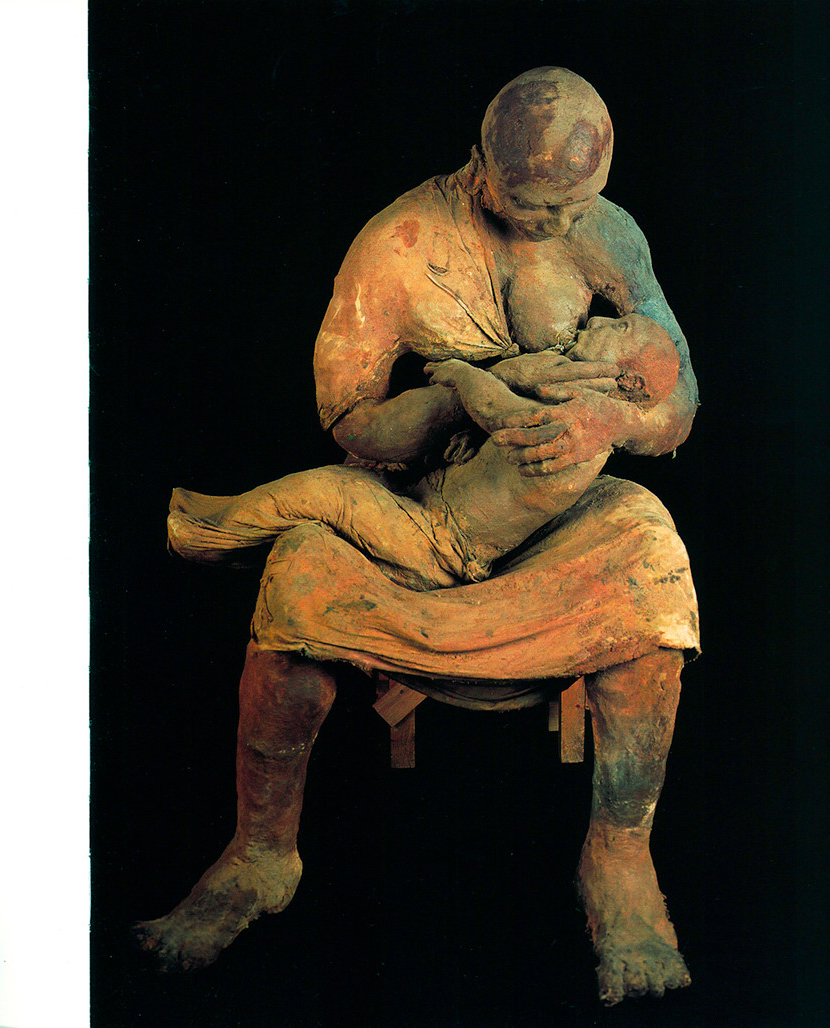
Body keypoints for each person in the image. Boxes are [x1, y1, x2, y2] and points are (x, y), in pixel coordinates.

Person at [136, 67, 699, 1006]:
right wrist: (458, 397)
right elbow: (349, 418)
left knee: (653, 555)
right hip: (420, 503)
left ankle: (619, 854)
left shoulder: (610, 234)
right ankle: (262, 851)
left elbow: (677, 393)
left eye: (578, 205)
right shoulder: (398, 243)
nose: (562, 224)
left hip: (547, 519)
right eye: (537, 206)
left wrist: (608, 421)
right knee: (300, 575)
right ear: (483, 167)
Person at [166, 312, 679, 591]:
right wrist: (475, 439)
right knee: (335, 486)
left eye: (620, 329)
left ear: (630, 381)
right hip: (424, 509)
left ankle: (198, 534)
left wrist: (465, 377)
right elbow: (508, 439)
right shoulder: (576, 399)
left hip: (439, 545)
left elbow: (508, 417)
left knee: (324, 493)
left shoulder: (591, 424)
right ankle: (224, 529)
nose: (600, 321)